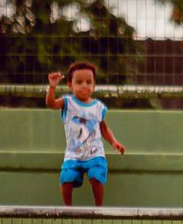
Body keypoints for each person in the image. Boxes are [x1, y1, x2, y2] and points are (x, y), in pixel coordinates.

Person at [46, 62, 124, 205]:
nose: (84, 85)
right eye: (79, 82)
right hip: (73, 154)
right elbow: (51, 104)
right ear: (70, 85)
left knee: (97, 176)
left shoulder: (98, 107)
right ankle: (68, 209)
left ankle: (98, 208)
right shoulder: (67, 102)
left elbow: (103, 128)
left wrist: (114, 142)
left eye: (89, 82)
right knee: (66, 178)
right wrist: (52, 87)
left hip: (95, 153)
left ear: (94, 85)